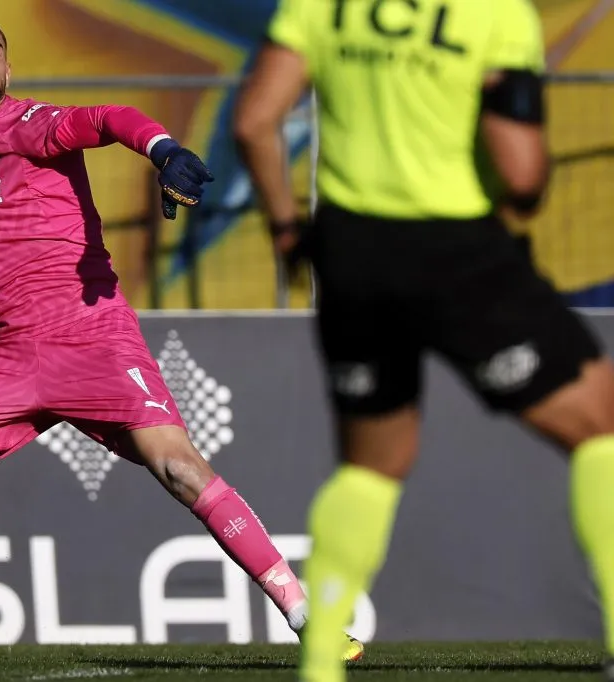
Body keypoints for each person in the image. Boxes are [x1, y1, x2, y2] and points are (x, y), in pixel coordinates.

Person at [0, 14, 364, 666]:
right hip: (7, 356)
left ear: (8, 70)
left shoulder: (30, 124)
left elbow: (110, 117)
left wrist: (164, 151)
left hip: (90, 337)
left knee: (182, 471)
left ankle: (309, 619)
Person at [232, 1, 614, 680]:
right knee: (598, 426)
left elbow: (255, 121)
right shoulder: (495, 14)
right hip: (457, 248)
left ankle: (322, 661)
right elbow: (522, 176)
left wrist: (288, 231)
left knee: (370, 469)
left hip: (351, 253)